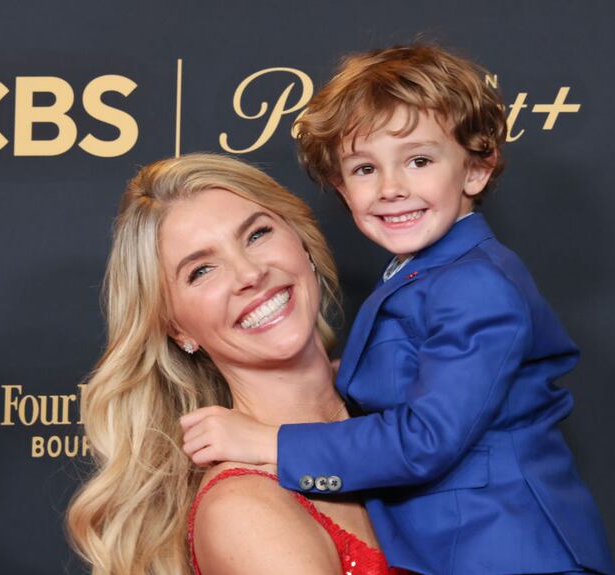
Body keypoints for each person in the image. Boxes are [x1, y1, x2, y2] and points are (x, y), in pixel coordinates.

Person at [180, 44, 615, 574]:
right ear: (341, 189)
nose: (391, 188)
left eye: (419, 160)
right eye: (365, 169)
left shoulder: (475, 285)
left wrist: (271, 442)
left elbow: (428, 439)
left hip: (507, 550)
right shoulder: (426, 273)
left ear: (476, 169)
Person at [66, 153, 410, 575]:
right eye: (202, 270)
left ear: (303, 245)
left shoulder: (409, 408)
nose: (248, 273)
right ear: (177, 328)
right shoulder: (243, 508)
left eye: (257, 234)